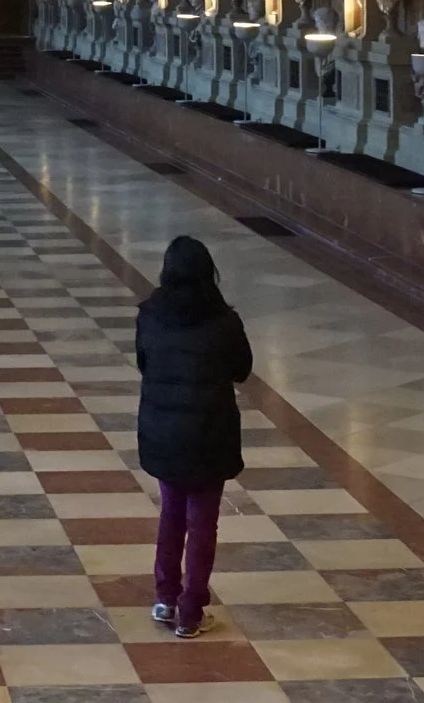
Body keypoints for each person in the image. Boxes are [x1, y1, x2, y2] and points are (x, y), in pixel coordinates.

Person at [137, 235, 253, 639]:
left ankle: (165, 597)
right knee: (203, 522)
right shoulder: (224, 323)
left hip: (163, 431)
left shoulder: (149, 314)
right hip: (209, 434)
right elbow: (242, 370)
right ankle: (191, 611)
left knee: (171, 512)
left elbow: (143, 361)